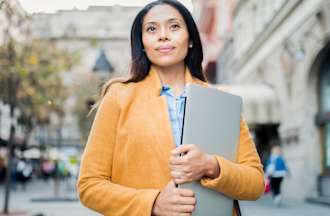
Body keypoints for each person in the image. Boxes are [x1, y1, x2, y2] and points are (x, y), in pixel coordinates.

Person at [77, 1, 265, 215]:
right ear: (142, 43)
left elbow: (255, 182)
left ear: (191, 39)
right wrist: (153, 203)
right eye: (151, 29)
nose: (163, 35)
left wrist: (211, 166)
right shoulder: (118, 97)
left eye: (174, 26)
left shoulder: (220, 102)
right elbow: (89, 186)